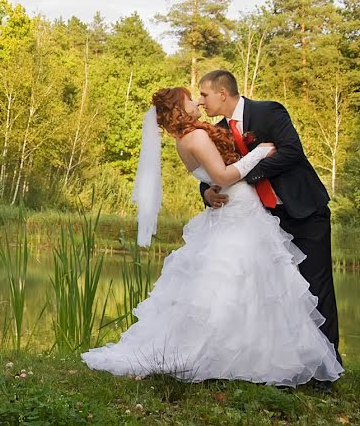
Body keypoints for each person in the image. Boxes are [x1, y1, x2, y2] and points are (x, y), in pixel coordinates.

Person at [82, 86, 343, 387]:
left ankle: (252, 355)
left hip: (252, 212)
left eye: (201, 95)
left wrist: (210, 188)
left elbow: (210, 175)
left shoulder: (190, 138)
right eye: (191, 99)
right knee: (253, 286)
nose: (197, 102)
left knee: (245, 286)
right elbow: (220, 177)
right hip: (239, 212)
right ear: (180, 110)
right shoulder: (198, 136)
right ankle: (247, 358)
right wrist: (259, 152)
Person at [196, 70, 341, 376]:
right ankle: (286, 366)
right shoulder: (215, 132)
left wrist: (246, 173)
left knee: (316, 287)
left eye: (204, 94)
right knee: (277, 293)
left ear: (223, 93)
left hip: (303, 211)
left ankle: (328, 369)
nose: (201, 101)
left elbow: (291, 152)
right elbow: (214, 172)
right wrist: (207, 192)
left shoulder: (269, 111)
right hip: (263, 221)